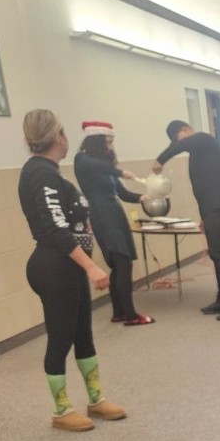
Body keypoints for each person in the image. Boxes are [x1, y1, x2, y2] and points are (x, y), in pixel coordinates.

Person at [18, 109, 127, 433]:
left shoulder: (49, 171)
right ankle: (61, 409)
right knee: (61, 337)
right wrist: (92, 267)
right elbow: (54, 229)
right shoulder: (41, 173)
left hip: (67, 266)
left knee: (83, 334)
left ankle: (96, 399)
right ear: (58, 137)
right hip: (54, 267)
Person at [152, 121, 220, 320]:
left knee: (218, 253)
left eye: (179, 138)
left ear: (185, 130)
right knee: (215, 252)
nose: (181, 144)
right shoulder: (201, 152)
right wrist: (204, 216)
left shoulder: (203, 139)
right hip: (212, 208)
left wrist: (160, 160)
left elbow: (181, 146)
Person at [73, 120, 154, 326]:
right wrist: (119, 171)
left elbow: (123, 193)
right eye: (107, 143)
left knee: (119, 265)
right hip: (101, 213)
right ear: (96, 142)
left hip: (114, 212)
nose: (110, 147)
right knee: (121, 262)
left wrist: (142, 197)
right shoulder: (82, 160)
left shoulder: (106, 168)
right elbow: (95, 165)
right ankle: (130, 315)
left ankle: (119, 312)